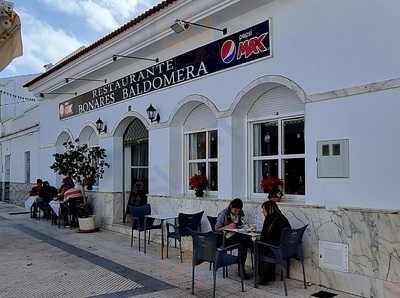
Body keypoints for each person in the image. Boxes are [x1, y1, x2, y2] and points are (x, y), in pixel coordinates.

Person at [215, 198, 251, 278]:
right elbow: (216, 229)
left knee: (245, 242)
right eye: (235, 211)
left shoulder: (240, 212)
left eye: (238, 211)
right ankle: (241, 269)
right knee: (244, 243)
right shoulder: (223, 214)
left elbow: (242, 223)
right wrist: (228, 226)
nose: (237, 213)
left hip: (236, 235)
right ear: (231, 207)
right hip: (224, 238)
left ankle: (241, 268)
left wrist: (245, 226)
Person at [258, 200, 291, 284]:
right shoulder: (282, 217)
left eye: (263, 209)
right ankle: (270, 276)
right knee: (267, 246)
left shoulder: (269, 219)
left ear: (269, 210)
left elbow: (263, 237)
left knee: (259, 246)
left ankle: (263, 277)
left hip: (278, 250)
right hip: (287, 249)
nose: (262, 211)